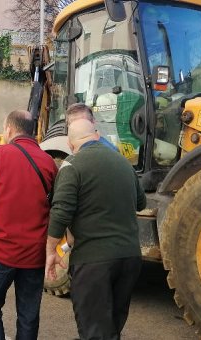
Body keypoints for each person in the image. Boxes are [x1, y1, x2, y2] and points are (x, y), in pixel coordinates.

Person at [46, 119, 146, 340]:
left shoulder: (72, 165)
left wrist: (51, 250)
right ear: (97, 135)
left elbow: (61, 211)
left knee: (94, 331)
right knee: (112, 328)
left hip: (94, 262)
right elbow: (141, 204)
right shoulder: (124, 163)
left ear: (71, 144)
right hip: (129, 258)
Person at [0, 110, 57, 339]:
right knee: (28, 314)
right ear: (32, 131)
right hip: (35, 253)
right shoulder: (48, 162)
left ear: (9, 129)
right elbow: (58, 207)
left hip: (1, 249)